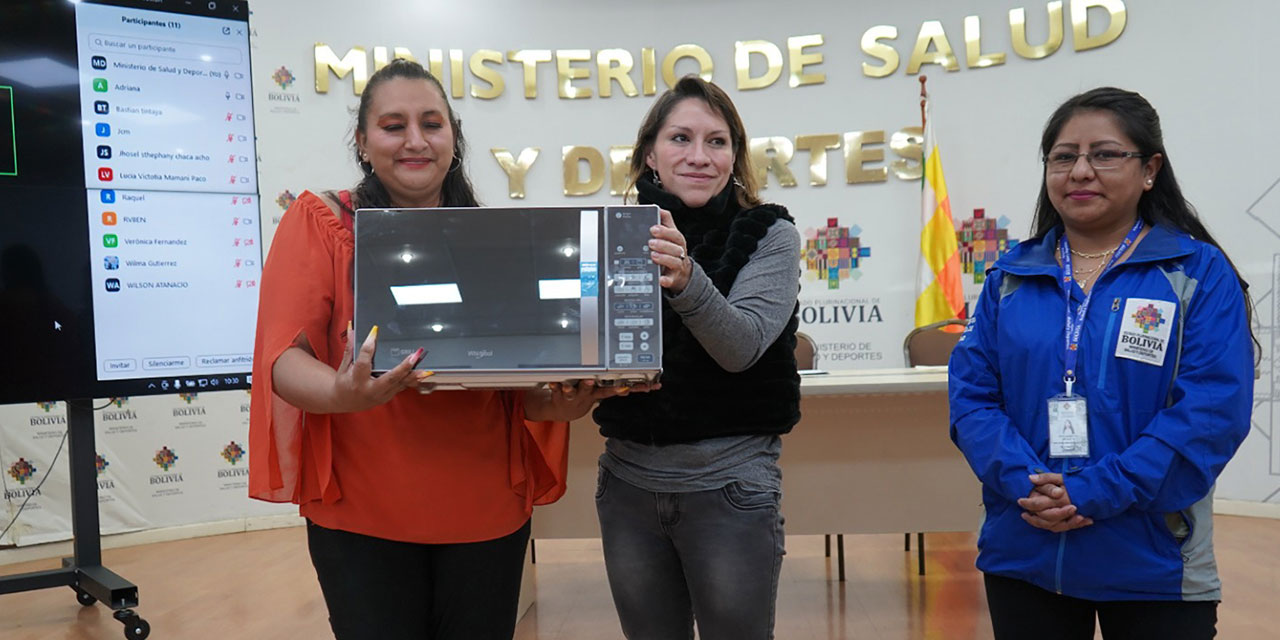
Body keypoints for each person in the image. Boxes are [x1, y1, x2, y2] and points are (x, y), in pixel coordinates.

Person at [247, 59, 632, 640]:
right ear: (362, 140)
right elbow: (282, 357)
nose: (415, 141)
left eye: (432, 123)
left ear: (454, 136)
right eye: (393, 125)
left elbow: (516, 390)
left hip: (484, 507)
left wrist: (562, 403)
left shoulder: (492, 237)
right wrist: (340, 391)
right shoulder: (322, 223)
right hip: (362, 507)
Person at [948, 87, 1256, 639]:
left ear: (1149, 169)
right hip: (1025, 547)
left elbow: (1211, 411)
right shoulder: (1010, 277)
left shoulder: (1197, 273)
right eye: (1064, 157)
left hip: (1155, 562)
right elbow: (973, 398)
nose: (1080, 171)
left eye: (1105, 154)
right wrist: (1025, 482)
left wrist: (1094, 491)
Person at [591, 75, 802, 640]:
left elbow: (741, 348)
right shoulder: (609, 234)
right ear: (650, 156)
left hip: (730, 486)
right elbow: (592, 354)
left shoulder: (768, 232)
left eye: (717, 141)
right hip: (627, 483)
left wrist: (686, 279)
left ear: (735, 156)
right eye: (681, 138)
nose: (699, 156)